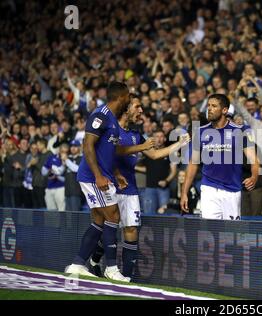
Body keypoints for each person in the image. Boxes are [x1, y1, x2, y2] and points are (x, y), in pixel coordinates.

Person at [89, 95, 189, 279]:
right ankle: (95, 262)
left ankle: (126, 276)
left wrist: (180, 143)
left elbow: (156, 154)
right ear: (126, 109)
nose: (141, 111)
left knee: (131, 228)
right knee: (107, 229)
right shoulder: (112, 129)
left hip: (130, 188)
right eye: (138, 107)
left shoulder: (136, 135)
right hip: (109, 186)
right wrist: (141, 147)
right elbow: (113, 151)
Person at [65, 82, 154, 281]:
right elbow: (87, 145)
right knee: (113, 216)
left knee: (99, 220)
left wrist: (116, 172)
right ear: (121, 97)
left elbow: (108, 151)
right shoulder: (101, 115)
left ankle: (77, 263)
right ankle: (112, 269)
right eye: (128, 97)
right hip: (93, 176)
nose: (129, 101)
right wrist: (98, 175)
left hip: (104, 175)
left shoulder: (112, 119)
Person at [180, 94, 259, 220]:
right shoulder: (200, 132)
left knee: (231, 234)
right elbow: (192, 164)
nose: (209, 109)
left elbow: (254, 160)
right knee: (209, 233)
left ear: (224, 110)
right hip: (208, 189)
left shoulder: (240, 131)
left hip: (232, 190)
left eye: (214, 106)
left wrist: (254, 176)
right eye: (208, 106)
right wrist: (184, 192)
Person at [41, 143, 68, 211]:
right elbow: (43, 172)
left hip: (61, 188)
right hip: (49, 187)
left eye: (65, 152)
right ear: (59, 150)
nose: (63, 154)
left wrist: (57, 175)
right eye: (62, 151)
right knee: (51, 211)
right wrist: (49, 171)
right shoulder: (51, 157)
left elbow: (63, 175)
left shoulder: (68, 160)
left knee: (61, 210)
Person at [62, 140, 83, 211]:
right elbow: (62, 173)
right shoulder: (69, 158)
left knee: (75, 215)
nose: (73, 148)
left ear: (79, 147)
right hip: (67, 191)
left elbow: (77, 169)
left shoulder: (82, 158)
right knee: (68, 215)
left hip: (76, 191)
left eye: (75, 146)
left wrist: (66, 160)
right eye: (71, 146)